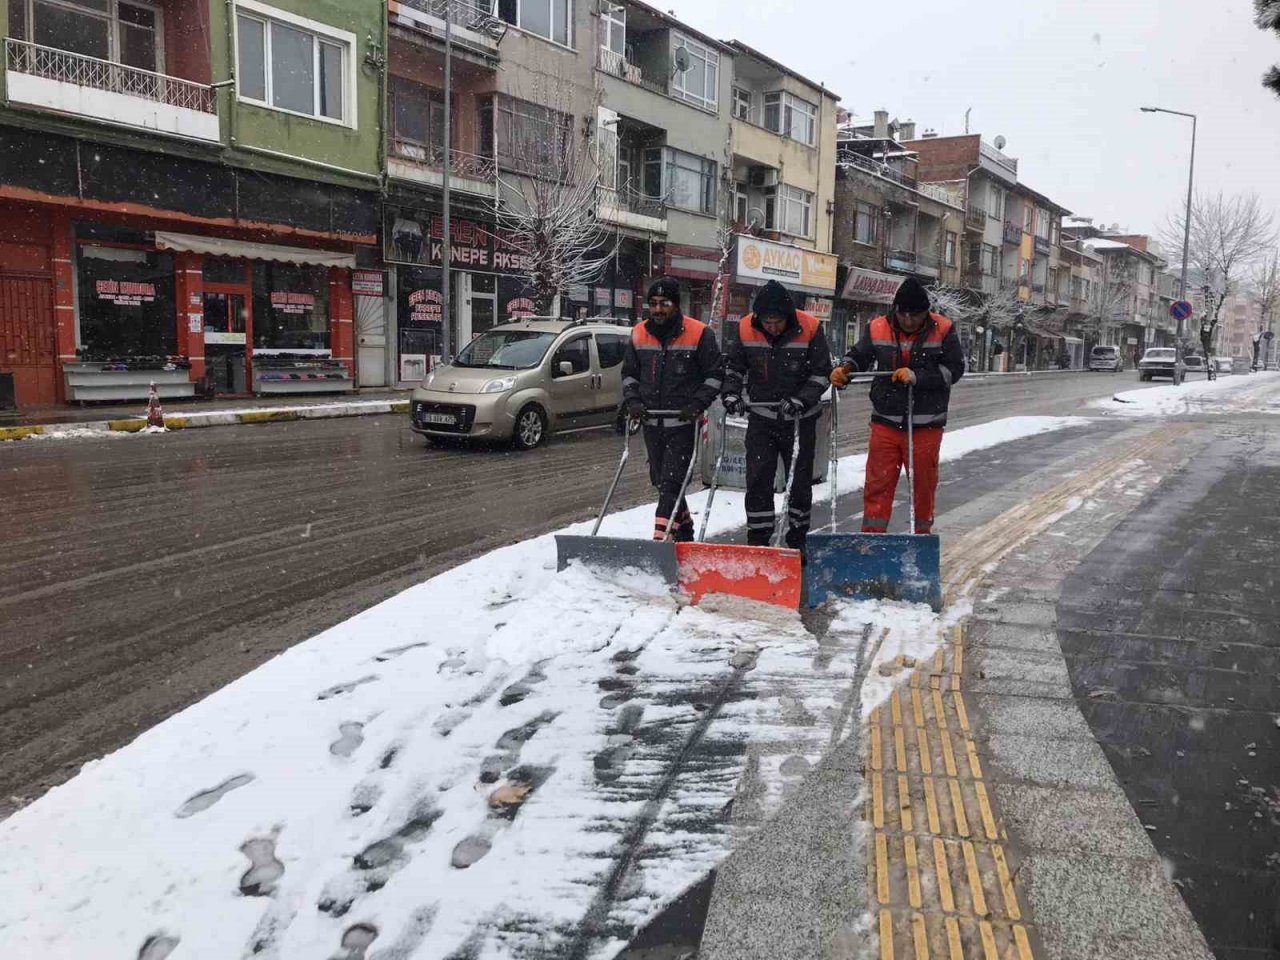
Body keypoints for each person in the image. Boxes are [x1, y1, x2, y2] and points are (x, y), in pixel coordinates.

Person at [829, 276, 965, 535]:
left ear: (926, 312)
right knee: (878, 483)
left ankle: (920, 537)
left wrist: (918, 377)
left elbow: (955, 369)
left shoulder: (943, 329)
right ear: (896, 310)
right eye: (904, 315)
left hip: (926, 423)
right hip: (886, 420)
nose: (909, 321)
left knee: (922, 486)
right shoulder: (878, 327)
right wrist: (845, 369)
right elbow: (861, 356)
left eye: (916, 315)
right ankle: (872, 538)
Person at [722, 279, 833, 552]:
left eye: (777, 322)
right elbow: (735, 368)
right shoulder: (746, 327)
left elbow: (821, 374)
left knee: (798, 482)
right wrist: (732, 393)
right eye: (767, 322)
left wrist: (800, 399)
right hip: (762, 418)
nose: (771, 328)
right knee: (758, 479)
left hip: (799, 420)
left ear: (788, 316)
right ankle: (758, 540)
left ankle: (797, 540)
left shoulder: (810, 328)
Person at [621, 277, 724, 542]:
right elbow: (630, 375)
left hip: (682, 423)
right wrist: (633, 400)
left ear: (676, 305)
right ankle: (685, 530)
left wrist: (697, 403)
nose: (657, 310)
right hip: (651, 423)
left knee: (671, 483)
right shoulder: (638, 334)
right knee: (660, 481)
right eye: (653, 304)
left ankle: (660, 540)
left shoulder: (700, 334)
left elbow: (714, 375)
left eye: (664, 304)